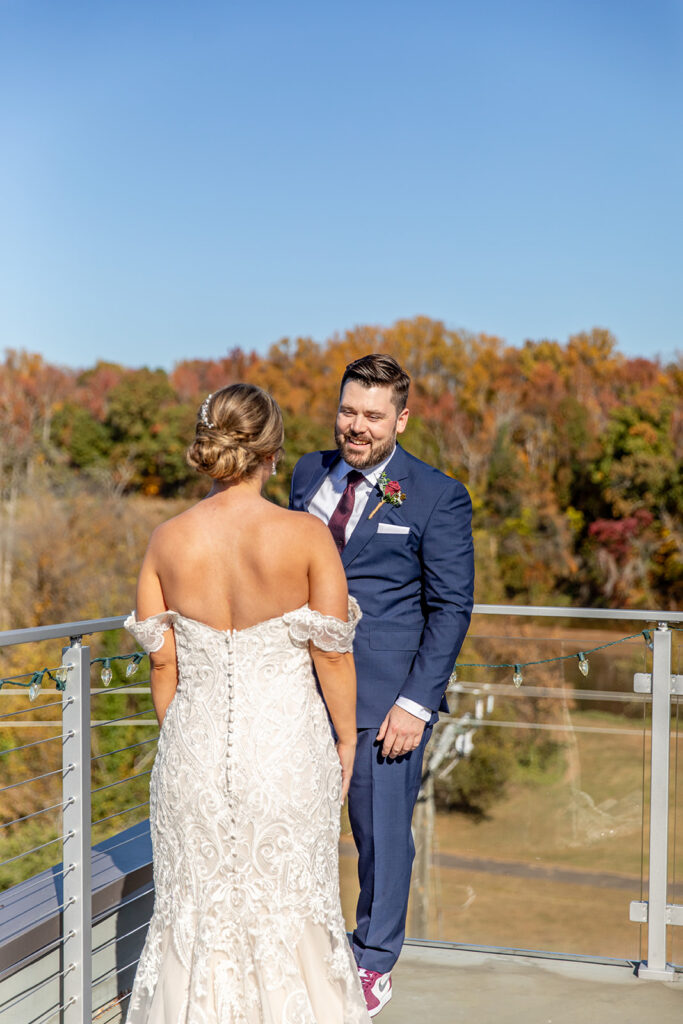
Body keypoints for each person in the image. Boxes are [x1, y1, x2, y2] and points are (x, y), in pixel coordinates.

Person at [124, 383, 371, 1024]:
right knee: (293, 908)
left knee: (194, 913)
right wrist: (345, 740)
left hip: (193, 755)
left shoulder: (165, 541)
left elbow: (162, 664)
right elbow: (333, 657)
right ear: (272, 453)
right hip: (288, 753)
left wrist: (186, 738)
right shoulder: (306, 537)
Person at [290, 354, 474, 1017]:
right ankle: (303, 944)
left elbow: (451, 607)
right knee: (299, 825)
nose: (356, 427)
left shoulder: (434, 495)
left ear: (401, 418)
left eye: (372, 416)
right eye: (347, 411)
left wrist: (415, 705)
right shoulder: (307, 473)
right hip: (296, 690)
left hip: (384, 700)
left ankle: (373, 962)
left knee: (380, 834)